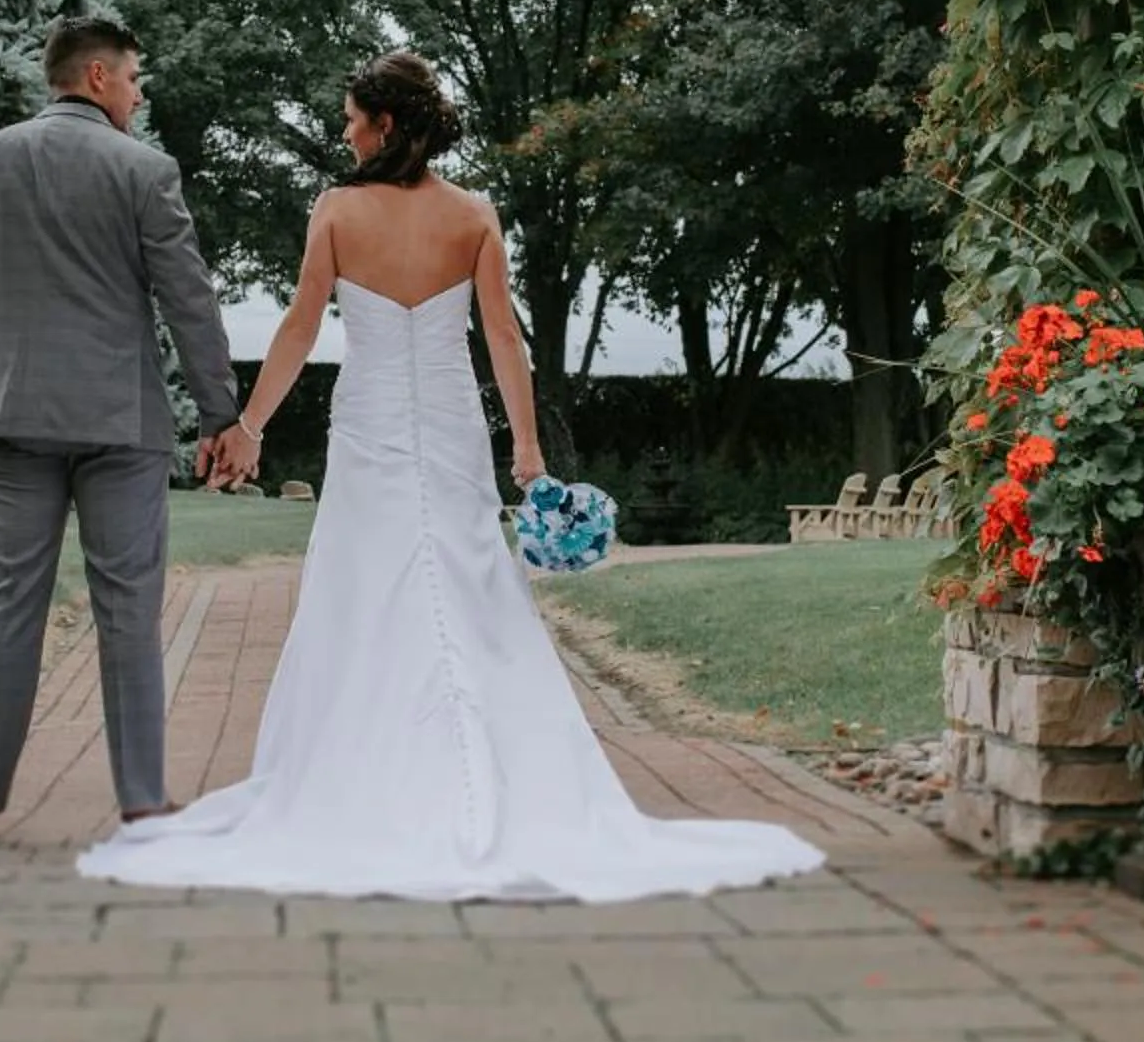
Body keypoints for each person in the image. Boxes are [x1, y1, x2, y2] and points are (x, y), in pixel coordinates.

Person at [77, 51, 824, 901]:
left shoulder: (337, 212)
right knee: (468, 588)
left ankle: (363, 782)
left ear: (386, 125)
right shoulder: (473, 216)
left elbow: (298, 328)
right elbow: (503, 340)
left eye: (354, 116)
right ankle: (495, 777)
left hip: (366, 431)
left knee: (364, 590)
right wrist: (529, 453)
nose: (345, 130)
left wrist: (250, 426)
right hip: (449, 426)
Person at [0, 16, 259, 849]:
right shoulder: (144, 170)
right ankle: (141, 800)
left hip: (11, 417)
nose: (140, 94)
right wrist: (222, 416)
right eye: (135, 79)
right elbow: (189, 301)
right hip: (121, 421)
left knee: (2, 604)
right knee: (130, 609)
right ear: (98, 77)